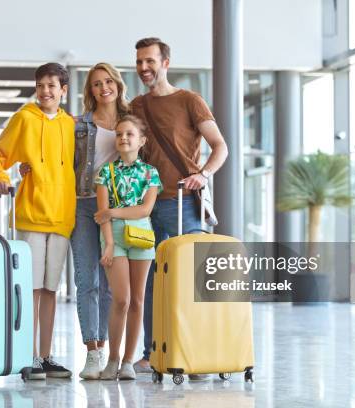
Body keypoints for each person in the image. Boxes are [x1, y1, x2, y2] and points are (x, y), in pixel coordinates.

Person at [20, 63, 130, 380]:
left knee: (112, 284)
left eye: (108, 81)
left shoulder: (130, 122)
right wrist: (28, 165)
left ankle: (110, 351)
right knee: (87, 280)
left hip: (117, 209)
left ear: (118, 85)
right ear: (89, 90)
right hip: (81, 204)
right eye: (96, 84)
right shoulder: (76, 124)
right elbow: (50, 150)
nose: (103, 88)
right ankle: (92, 351)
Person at [129, 37, 229, 379]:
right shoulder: (137, 106)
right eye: (140, 61)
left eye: (150, 61)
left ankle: (197, 353)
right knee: (153, 281)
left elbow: (220, 146)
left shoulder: (189, 101)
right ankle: (152, 352)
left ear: (166, 62)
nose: (144, 67)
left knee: (190, 280)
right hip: (147, 205)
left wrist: (204, 174)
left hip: (183, 203)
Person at [0, 62, 75, 380]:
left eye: (52, 86)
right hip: (32, 215)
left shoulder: (70, 125)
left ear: (63, 90)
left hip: (63, 217)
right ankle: (29, 356)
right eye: (40, 85)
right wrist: (0, 176)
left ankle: (46, 356)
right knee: (33, 288)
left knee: (51, 288)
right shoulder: (24, 118)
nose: (45, 91)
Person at [93, 114, 162, 380]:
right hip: (114, 239)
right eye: (119, 134)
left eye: (129, 134)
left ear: (141, 141)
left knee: (138, 300)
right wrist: (109, 243)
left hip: (142, 237)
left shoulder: (150, 173)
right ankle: (112, 358)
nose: (123, 138)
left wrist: (114, 211)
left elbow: (146, 209)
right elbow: (101, 215)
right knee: (120, 299)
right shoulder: (105, 173)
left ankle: (128, 362)